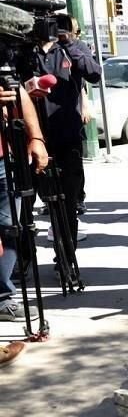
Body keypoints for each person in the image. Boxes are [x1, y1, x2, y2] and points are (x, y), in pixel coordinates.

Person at [33, 11, 100, 248]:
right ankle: (25, 257)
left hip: (66, 134)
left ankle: (67, 256)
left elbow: (94, 74)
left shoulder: (71, 47)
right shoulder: (25, 52)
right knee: (29, 198)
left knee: (67, 200)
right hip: (31, 136)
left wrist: (68, 43)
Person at [0, 80, 49, 321]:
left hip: (2, 160)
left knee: (10, 228)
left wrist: (36, 138)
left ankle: (2, 298)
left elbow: (16, 90)